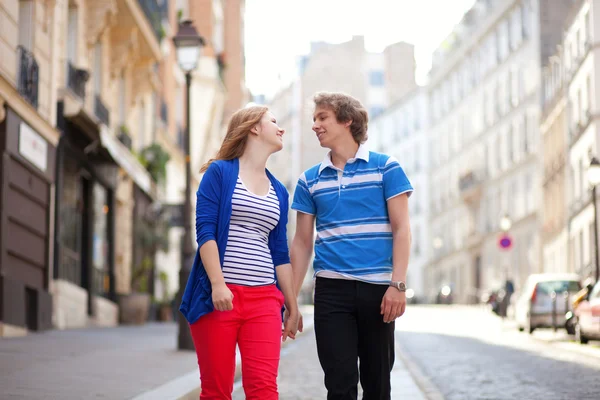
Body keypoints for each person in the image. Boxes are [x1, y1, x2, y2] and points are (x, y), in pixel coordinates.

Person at [290, 92, 413, 400]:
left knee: (377, 384)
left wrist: (398, 284)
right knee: (339, 384)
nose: (315, 125)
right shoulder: (309, 181)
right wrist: (291, 301)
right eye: (314, 119)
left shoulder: (387, 168)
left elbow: (402, 229)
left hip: (378, 292)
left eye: (322, 118)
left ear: (347, 120)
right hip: (332, 293)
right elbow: (302, 243)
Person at [179, 105, 299, 400]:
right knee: (217, 390)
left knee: (264, 389)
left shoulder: (279, 191)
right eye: (274, 121)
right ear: (253, 128)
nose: (281, 128)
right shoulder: (219, 173)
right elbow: (205, 231)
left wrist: (292, 305)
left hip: (264, 301)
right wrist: (218, 284)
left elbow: (280, 252)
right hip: (219, 297)